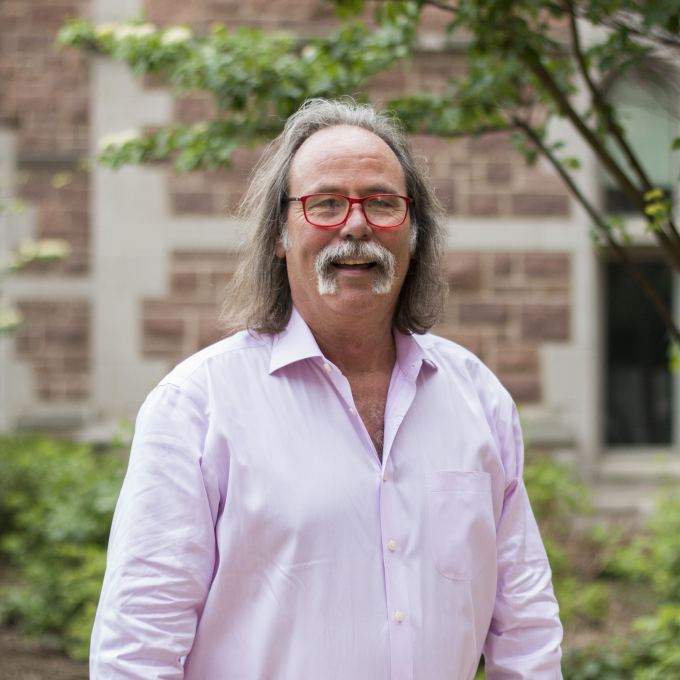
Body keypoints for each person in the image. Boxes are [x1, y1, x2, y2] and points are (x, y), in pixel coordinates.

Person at [90, 99, 563, 679]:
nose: (357, 224)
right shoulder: (196, 407)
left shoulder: (478, 399)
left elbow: (526, 631)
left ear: (413, 234)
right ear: (278, 235)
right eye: (326, 203)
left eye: (383, 202)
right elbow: (137, 649)